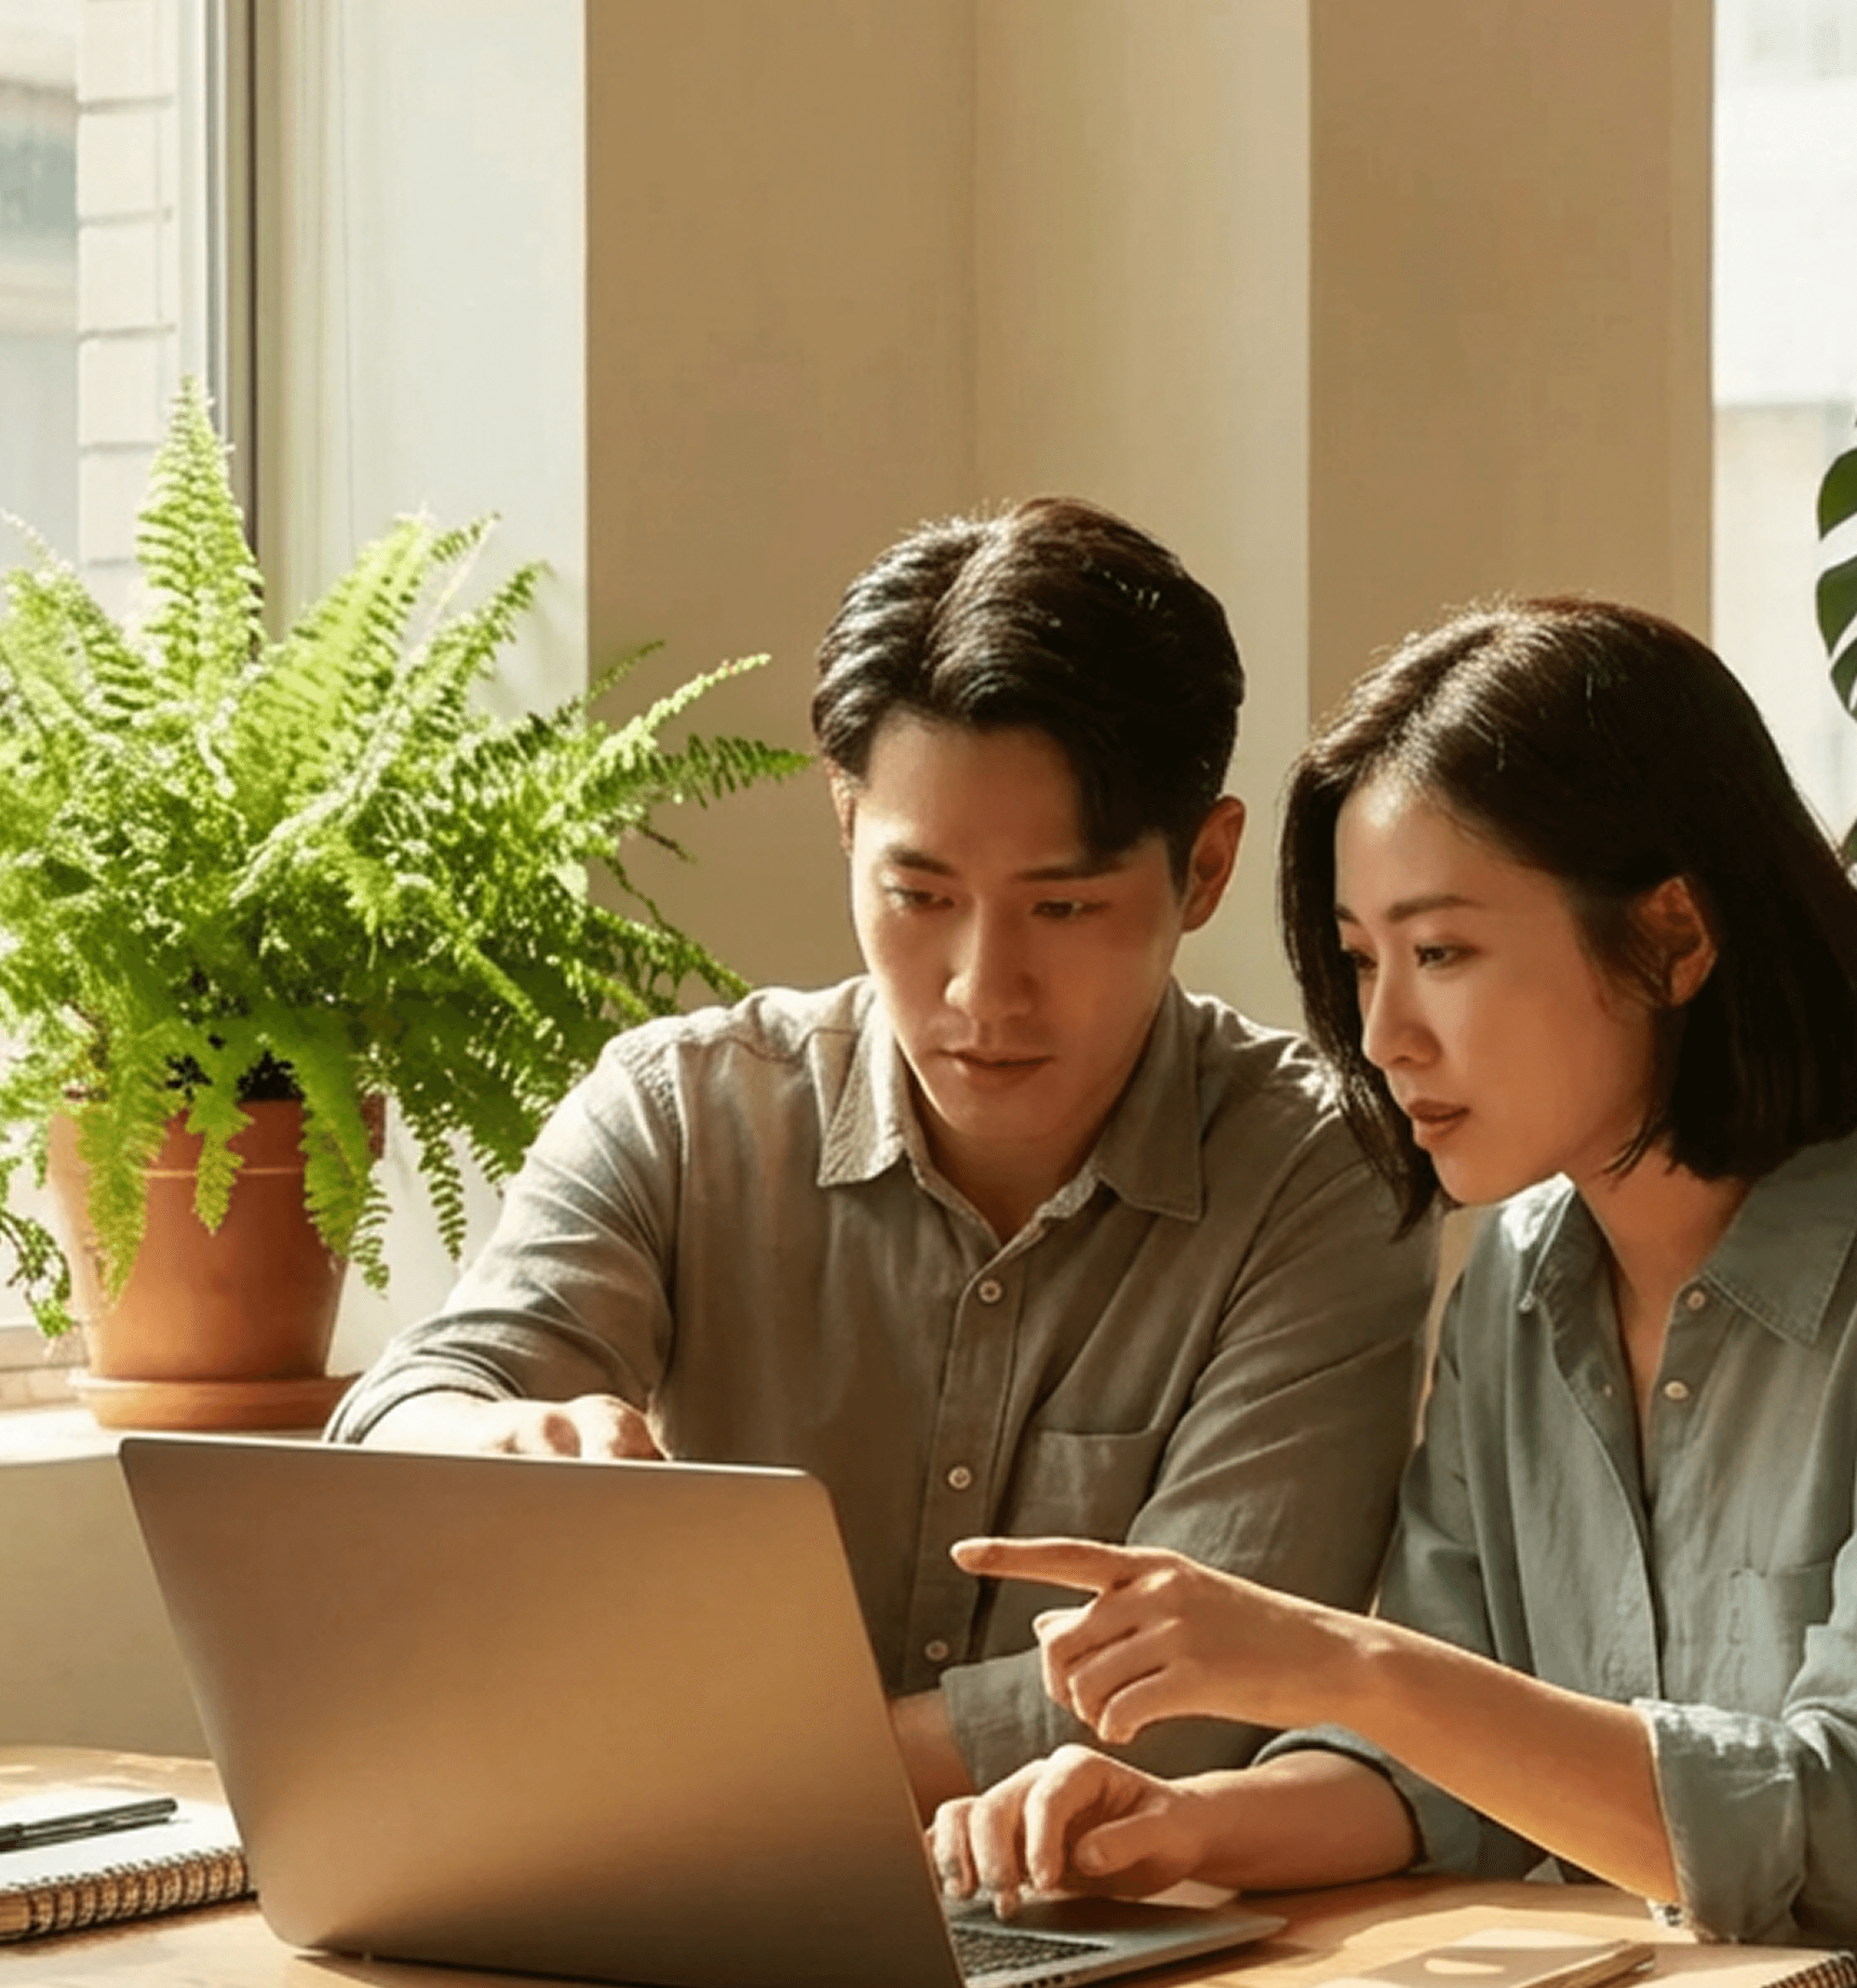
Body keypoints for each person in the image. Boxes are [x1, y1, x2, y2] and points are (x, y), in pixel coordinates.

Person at [933, 596, 1857, 1954]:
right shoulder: (1517, 1279)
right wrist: (1183, 1825)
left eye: (1442, 952)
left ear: (1672, 937)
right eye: (1363, 961)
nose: (1383, 1034)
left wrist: (1350, 1662)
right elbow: (1449, 1776)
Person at [327, 498, 1437, 1815]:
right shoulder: (684, 1115)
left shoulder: (1323, 1174)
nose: (982, 990)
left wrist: (701, 1781)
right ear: (846, 823)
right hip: (666, 1880)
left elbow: (1199, 1701)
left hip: (1114, 1918)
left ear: (1205, 867)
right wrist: (485, 1438)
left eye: (1064, 906)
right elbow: (410, 1405)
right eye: (920, 897)